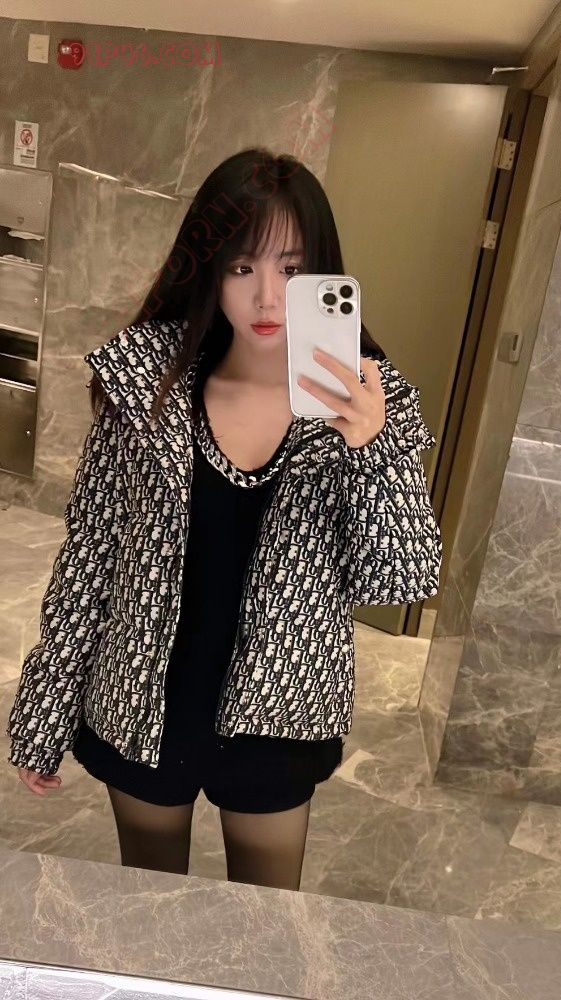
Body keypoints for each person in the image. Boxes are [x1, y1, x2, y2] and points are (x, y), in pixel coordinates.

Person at [6, 147, 442, 890]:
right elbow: (88, 559)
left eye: (292, 270)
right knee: (150, 904)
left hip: (281, 711)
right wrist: (44, 712)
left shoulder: (372, 404)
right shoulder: (144, 388)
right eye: (242, 267)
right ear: (208, 270)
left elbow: (400, 578)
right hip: (142, 700)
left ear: (324, 277)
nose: (267, 297)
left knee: (266, 920)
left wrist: (370, 451)